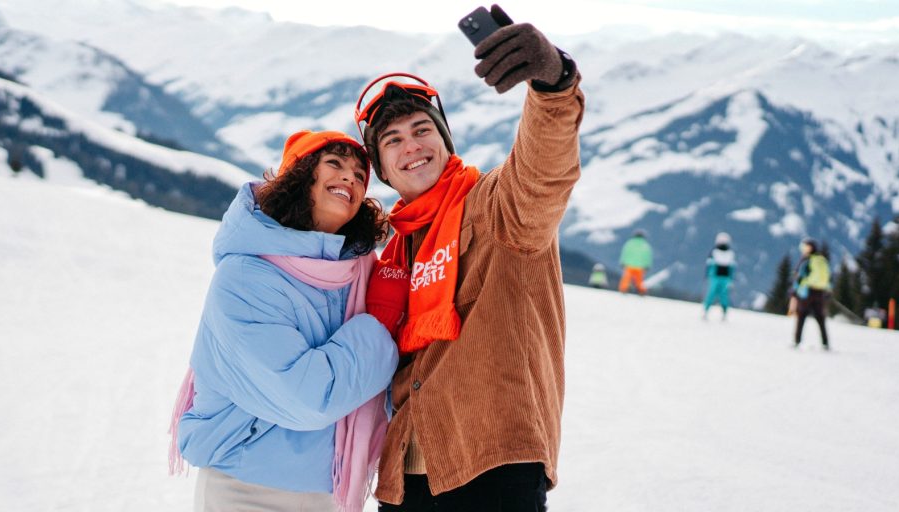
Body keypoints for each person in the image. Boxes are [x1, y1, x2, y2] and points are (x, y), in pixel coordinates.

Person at [353, 5, 584, 510]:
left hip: (494, 464)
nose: (410, 146)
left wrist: (554, 84)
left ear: (444, 140)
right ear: (384, 172)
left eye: (421, 130)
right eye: (391, 141)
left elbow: (542, 175)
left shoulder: (494, 208)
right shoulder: (394, 250)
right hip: (403, 478)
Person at [168, 130, 400, 512]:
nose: (350, 179)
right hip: (246, 488)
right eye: (336, 164)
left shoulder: (356, 273)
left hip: (329, 492)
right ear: (301, 175)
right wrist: (379, 324)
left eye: (361, 175)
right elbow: (309, 397)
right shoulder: (245, 276)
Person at [790, 237, 831, 350]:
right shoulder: (822, 260)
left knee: (801, 315)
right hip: (820, 292)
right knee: (820, 318)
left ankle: (797, 341)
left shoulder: (808, 260)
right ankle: (825, 342)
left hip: (807, 292)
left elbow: (800, 277)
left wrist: (797, 288)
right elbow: (828, 277)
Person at [703, 232, 736, 320]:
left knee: (723, 296)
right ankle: (706, 311)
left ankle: (724, 313)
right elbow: (710, 265)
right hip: (715, 277)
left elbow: (732, 268)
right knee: (712, 294)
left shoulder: (730, 254)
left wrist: (731, 279)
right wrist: (708, 274)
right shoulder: (714, 252)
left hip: (723, 278)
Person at [618, 229, 652, 295]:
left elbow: (625, 253)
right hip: (640, 266)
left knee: (626, 278)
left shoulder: (629, 243)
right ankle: (641, 290)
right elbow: (648, 256)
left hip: (629, 265)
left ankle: (624, 289)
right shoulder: (645, 245)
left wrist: (622, 262)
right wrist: (647, 265)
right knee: (639, 280)